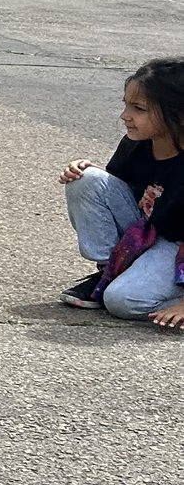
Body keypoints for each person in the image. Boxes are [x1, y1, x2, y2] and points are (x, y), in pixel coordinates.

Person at [57, 57, 184, 327]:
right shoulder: (136, 143)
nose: (125, 116)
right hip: (147, 229)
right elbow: (112, 194)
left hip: (178, 245)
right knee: (87, 179)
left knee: (122, 301)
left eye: (138, 109)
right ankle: (107, 272)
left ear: (179, 115)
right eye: (125, 105)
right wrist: (83, 172)